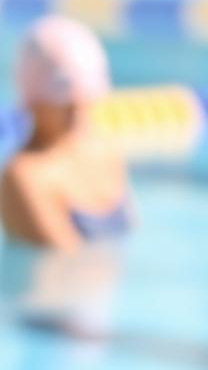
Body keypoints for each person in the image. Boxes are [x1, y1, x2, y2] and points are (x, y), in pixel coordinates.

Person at [1, 15, 135, 249]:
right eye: (63, 99)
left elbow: (131, 240)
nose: (76, 107)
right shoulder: (23, 177)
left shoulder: (103, 149)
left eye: (84, 95)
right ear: (32, 100)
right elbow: (66, 265)